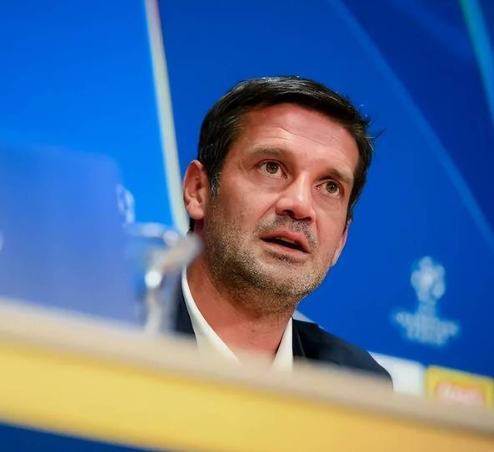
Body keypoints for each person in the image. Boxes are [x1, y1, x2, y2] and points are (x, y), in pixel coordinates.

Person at [177, 76, 390, 382]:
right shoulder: (113, 335)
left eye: (330, 187)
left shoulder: (358, 387)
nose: (300, 206)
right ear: (198, 190)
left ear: (341, 239)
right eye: (272, 167)